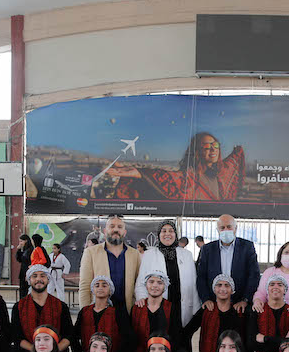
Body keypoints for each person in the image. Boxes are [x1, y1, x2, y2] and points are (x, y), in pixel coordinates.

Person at [107, 131, 245, 202]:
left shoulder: (222, 173)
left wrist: (237, 150)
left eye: (215, 145)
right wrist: (136, 172)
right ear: (197, 152)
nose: (213, 149)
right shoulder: (189, 178)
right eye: (207, 146)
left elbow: (234, 161)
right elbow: (160, 176)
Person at [10, 265, 74, 352]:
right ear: (29, 280)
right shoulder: (19, 307)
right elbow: (16, 337)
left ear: (48, 280)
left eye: (42, 276)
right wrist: (36, 351)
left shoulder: (61, 306)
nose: (38, 279)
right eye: (34, 276)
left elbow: (69, 335)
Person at [136, 219, 201, 323]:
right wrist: (142, 299)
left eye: (171, 231)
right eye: (164, 231)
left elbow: (193, 283)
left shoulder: (187, 255)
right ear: (159, 234)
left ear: (176, 234)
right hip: (157, 308)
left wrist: (196, 309)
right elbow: (141, 281)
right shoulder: (149, 255)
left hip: (181, 307)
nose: (167, 234)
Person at [79, 214, 141, 320]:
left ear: (124, 232)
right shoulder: (91, 252)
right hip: (100, 314)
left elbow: (139, 285)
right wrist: (85, 315)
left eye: (119, 227)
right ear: (105, 231)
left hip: (127, 314)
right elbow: (85, 286)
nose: (115, 230)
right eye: (112, 226)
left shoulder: (134, 254)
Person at [196, 214, 260, 315]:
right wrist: (206, 299)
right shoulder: (207, 249)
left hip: (240, 306)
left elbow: (254, 275)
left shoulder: (247, 247)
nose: (226, 230)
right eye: (222, 228)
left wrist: (245, 299)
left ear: (235, 228)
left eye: (229, 227)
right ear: (217, 230)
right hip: (214, 305)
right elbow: (201, 276)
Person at [184, 274, 247, 352]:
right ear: (214, 289)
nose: (223, 289)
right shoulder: (207, 310)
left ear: (232, 290)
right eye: (219, 285)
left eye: (227, 285)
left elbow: (244, 340)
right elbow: (187, 332)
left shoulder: (238, 312)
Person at [72, 275, 129, 352]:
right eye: (97, 285)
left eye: (104, 285)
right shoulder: (85, 312)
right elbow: (74, 338)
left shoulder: (118, 312)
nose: (100, 288)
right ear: (92, 290)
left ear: (110, 290)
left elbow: (127, 338)